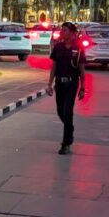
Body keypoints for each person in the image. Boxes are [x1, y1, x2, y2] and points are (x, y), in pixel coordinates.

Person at [46, 21, 86, 155]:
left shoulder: (78, 49)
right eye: (62, 30)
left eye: (65, 30)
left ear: (73, 33)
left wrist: (83, 87)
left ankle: (66, 143)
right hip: (60, 84)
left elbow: (82, 69)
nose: (62, 33)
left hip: (72, 84)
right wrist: (49, 84)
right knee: (60, 111)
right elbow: (54, 66)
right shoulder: (58, 47)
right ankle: (70, 129)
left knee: (68, 111)